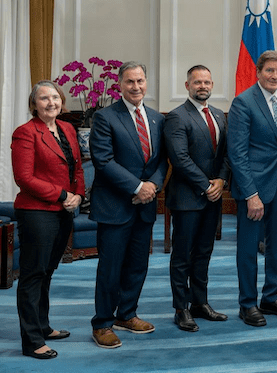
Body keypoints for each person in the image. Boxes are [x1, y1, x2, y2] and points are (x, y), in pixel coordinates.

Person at [90, 61, 168, 349]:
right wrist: (137, 187)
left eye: (140, 81)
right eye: (129, 82)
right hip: (115, 206)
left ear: (146, 82)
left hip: (144, 206)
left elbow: (161, 160)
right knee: (110, 268)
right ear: (119, 85)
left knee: (138, 265)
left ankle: (127, 314)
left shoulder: (157, 118)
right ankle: (102, 323)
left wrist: (152, 188)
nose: (136, 87)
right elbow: (103, 160)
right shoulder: (105, 117)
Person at [12, 81, 85, 359]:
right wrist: (63, 194)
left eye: (55, 97)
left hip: (64, 211)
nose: (51, 102)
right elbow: (24, 178)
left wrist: (78, 194)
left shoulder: (66, 128)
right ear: (34, 104)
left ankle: (43, 325)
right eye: (44, 98)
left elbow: (76, 166)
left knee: (48, 272)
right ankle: (31, 340)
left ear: (61, 100)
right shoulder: (25, 133)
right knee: (33, 275)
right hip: (36, 212)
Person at [228, 50, 277, 327]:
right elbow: (237, 154)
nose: (275, 76)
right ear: (259, 72)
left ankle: (271, 296)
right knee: (248, 249)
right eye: (270, 70)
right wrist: (251, 194)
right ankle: (248, 303)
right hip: (254, 190)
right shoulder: (243, 102)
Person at [164, 65, 230, 332]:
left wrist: (222, 181)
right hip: (187, 197)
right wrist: (206, 185)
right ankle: (181, 308)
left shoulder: (218, 115)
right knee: (183, 255)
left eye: (206, 82)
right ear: (187, 85)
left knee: (204, 252)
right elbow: (179, 159)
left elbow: (226, 154)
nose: (202, 86)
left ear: (212, 85)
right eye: (197, 82)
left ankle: (200, 303)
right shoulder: (177, 117)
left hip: (213, 196)